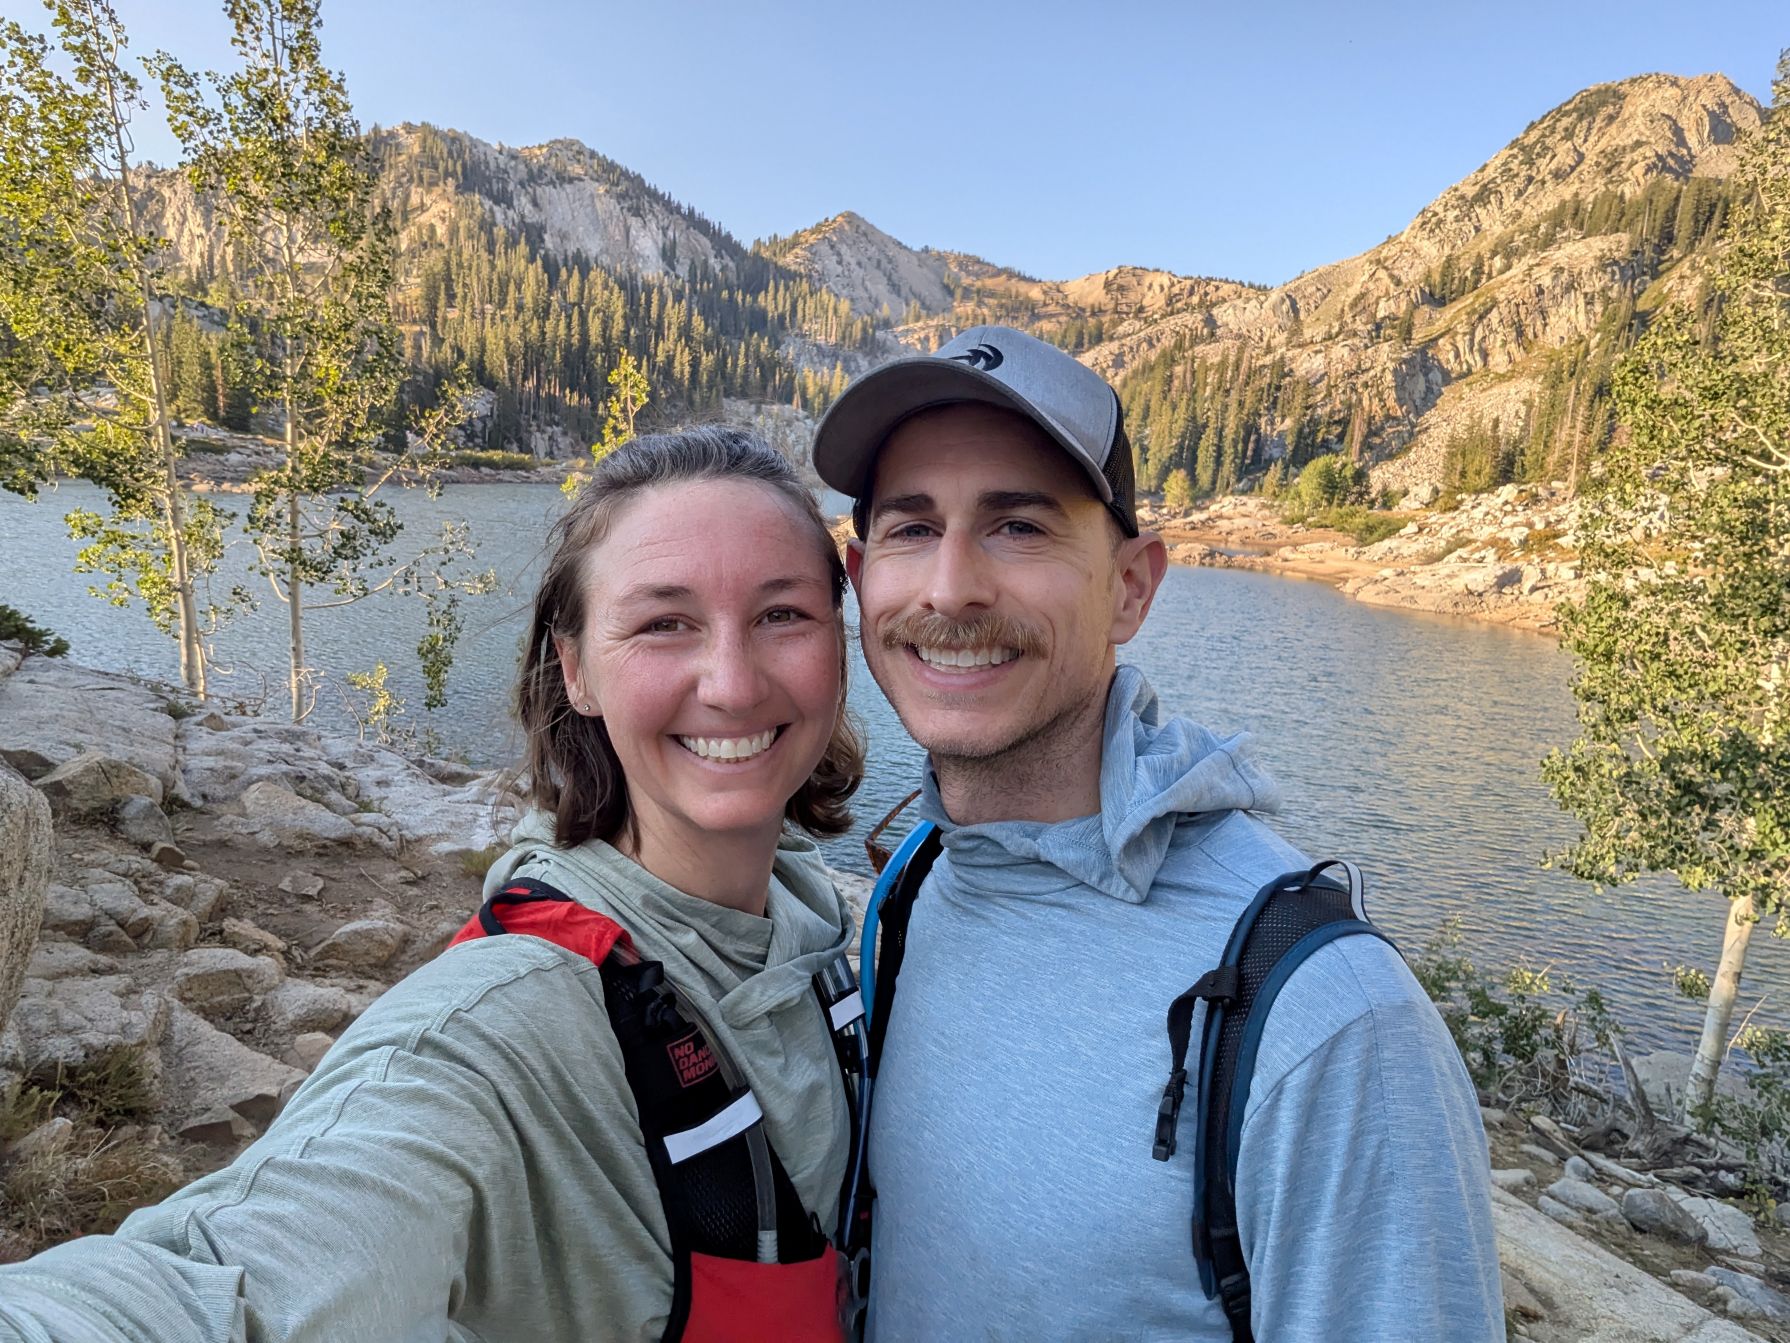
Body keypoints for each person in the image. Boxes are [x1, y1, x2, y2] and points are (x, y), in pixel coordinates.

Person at [0, 427, 871, 1343]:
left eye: (783, 614)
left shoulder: (832, 932)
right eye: (663, 623)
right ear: (576, 669)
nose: (731, 683)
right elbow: (230, 1287)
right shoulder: (500, 1027)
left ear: (839, 642)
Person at [812, 325, 1503, 1342]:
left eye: (1019, 526)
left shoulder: (1328, 1015)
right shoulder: (916, 882)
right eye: (913, 528)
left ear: (1131, 587)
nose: (950, 587)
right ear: (861, 573)